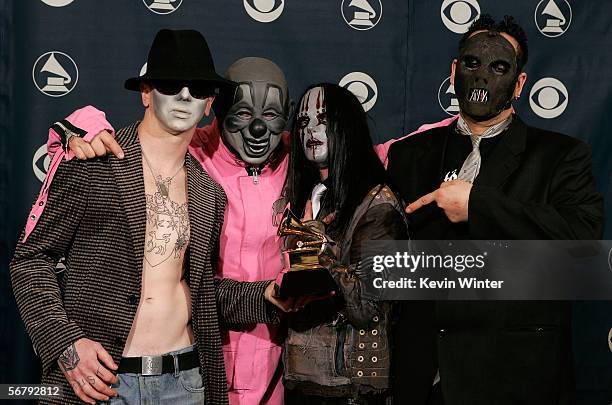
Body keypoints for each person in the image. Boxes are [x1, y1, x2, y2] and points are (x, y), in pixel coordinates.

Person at [10, 29, 289, 405]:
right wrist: (65, 342)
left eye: (199, 89)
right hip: (102, 381)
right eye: (172, 84)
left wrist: (270, 295)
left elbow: (201, 291)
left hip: (185, 380)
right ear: (146, 92)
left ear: (209, 104)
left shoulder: (208, 194)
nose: (185, 96)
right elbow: (31, 260)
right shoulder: (95, 160)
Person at [386, 15, 604, 405]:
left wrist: (477, 205)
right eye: (472, 63)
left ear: (519, 84)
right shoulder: (408, 155)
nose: (482, 76)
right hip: (422, 378)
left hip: (514, 379)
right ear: (454, 72)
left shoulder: (560, 157)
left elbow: (584, 250)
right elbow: (393, 266)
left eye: (499, 67)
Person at [280, 83, 408, 405]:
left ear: (346, 126)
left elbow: (367, 307)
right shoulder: (308, 197)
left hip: (351, 390)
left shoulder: (378, 205)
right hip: (302, 383)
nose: (312, 130)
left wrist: (317, 250)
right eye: (304, 122)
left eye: (322, 120)